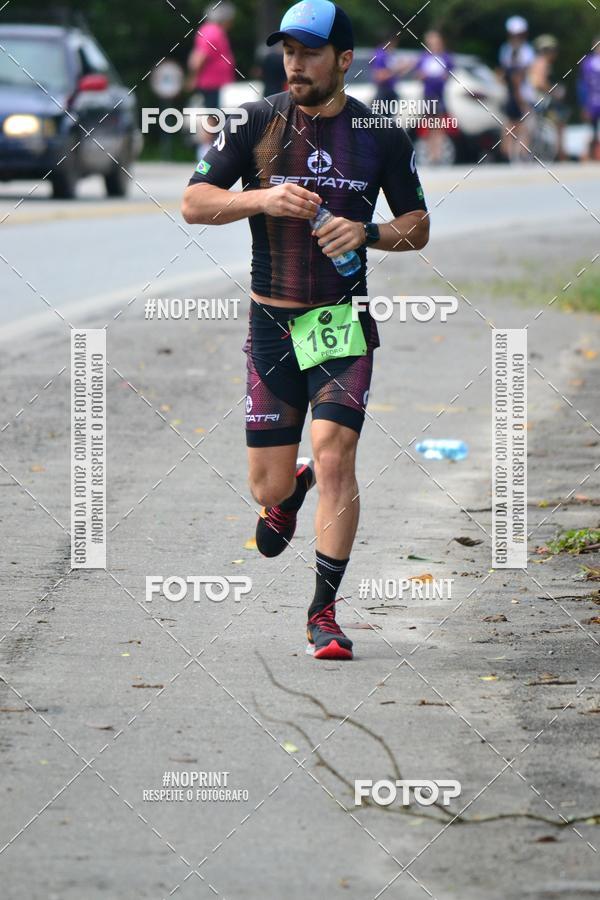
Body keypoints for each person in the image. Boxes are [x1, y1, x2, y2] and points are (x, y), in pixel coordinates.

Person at [181, 0, 429, 661]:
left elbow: (418, 225)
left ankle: (324, 612)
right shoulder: (256, 119)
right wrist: (261, 198)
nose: (295, 63)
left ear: (343, 60)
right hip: (271, 323)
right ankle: (284, 496)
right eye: (288, 51)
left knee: (335, 456)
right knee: (266, 486)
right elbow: (194, 202)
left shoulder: (380, 134)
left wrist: (368, 231)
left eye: (310, 52)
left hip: (338, 321)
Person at [187, 2, 236, 161]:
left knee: (215, 117)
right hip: (212, 83)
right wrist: (193, 77)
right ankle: (206, 152)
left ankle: (211, 151)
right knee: (213, 117)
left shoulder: (213, 31)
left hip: (217, 83)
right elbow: (198, 58)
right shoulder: (211, 31)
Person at [413, 30, 453, 164]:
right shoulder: (424, 57)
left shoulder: (445, 57)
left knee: (439, 125)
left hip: (439, 95)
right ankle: (431, 154)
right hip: (428, 94)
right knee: (430, 125)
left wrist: (441, 77)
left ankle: (438, 154)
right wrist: (423, 76)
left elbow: (449, 74)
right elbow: (418, 75)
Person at [498, 15, 535, 160]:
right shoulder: (506, 50)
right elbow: (506, 73)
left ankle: (521, 152)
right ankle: (510, 154)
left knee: (522, 123)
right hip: (512, 92)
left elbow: (524, 74)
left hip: (522, 92)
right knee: (513, 123)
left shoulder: (527, 51)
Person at [528, 34, 567, 160]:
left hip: (534, 98)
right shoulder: (542, 63)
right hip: (541, 99)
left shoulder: (536, 62)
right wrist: (554, 92)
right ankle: (561, 153)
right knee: (560, 118)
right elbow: (539, 83)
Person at [579, 38, 600, 160]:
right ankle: (588, 155)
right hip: (592, 102)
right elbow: (582, 85)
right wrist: (584, 104)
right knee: (590, 130)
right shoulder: (587, 63)